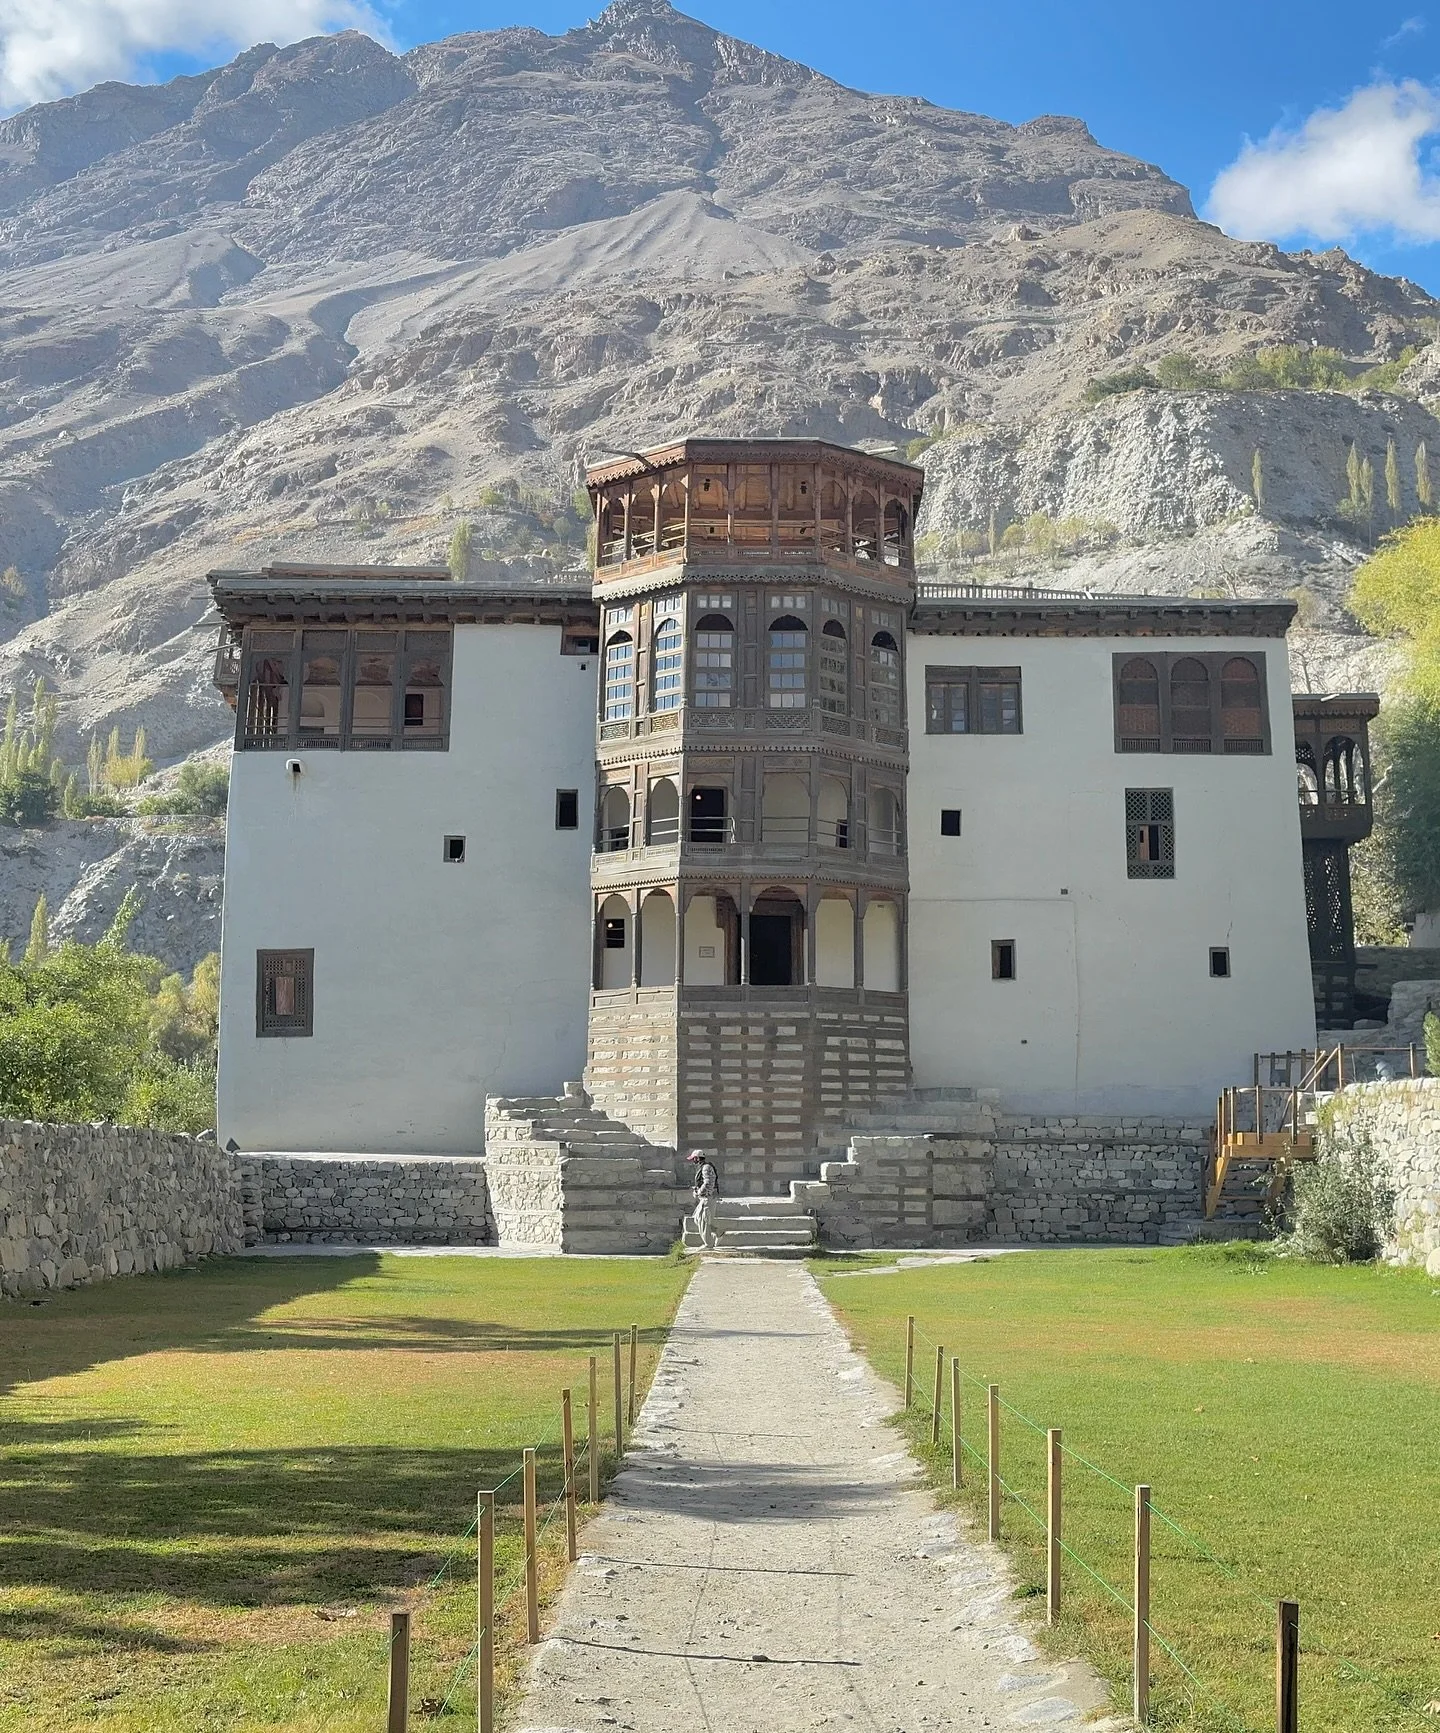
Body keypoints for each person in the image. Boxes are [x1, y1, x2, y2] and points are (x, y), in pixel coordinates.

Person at [687, 1148, 720, 1250]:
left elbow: (708, 1183)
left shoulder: (706, 1168)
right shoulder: (702, 1167)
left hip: (708, 1198)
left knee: (703, 1220)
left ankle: (708, 1244)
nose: (693, 1161)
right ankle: (718, 1232)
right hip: (704, 1198)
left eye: (694, 1159)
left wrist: (699, 1192)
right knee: (697, 1218)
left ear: (697, 1158)